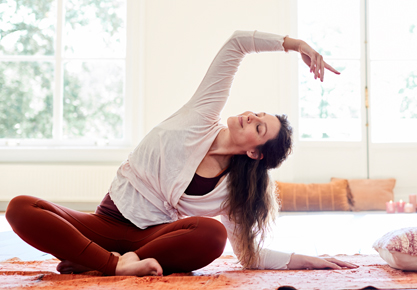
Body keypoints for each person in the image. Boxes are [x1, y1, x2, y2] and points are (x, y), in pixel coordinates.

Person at [6, 30, 357, 276]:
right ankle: (112, 264)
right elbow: (237, 43)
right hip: (105, 221)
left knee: (212, 235)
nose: (251, 116)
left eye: (259, 128)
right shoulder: (202, 114)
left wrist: (306, 260)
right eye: (258, 114)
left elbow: (249, 257)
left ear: (254, 153)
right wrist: (297, 45)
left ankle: (102, 261)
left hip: (152, 240)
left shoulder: (231, 190)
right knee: (21, 207)